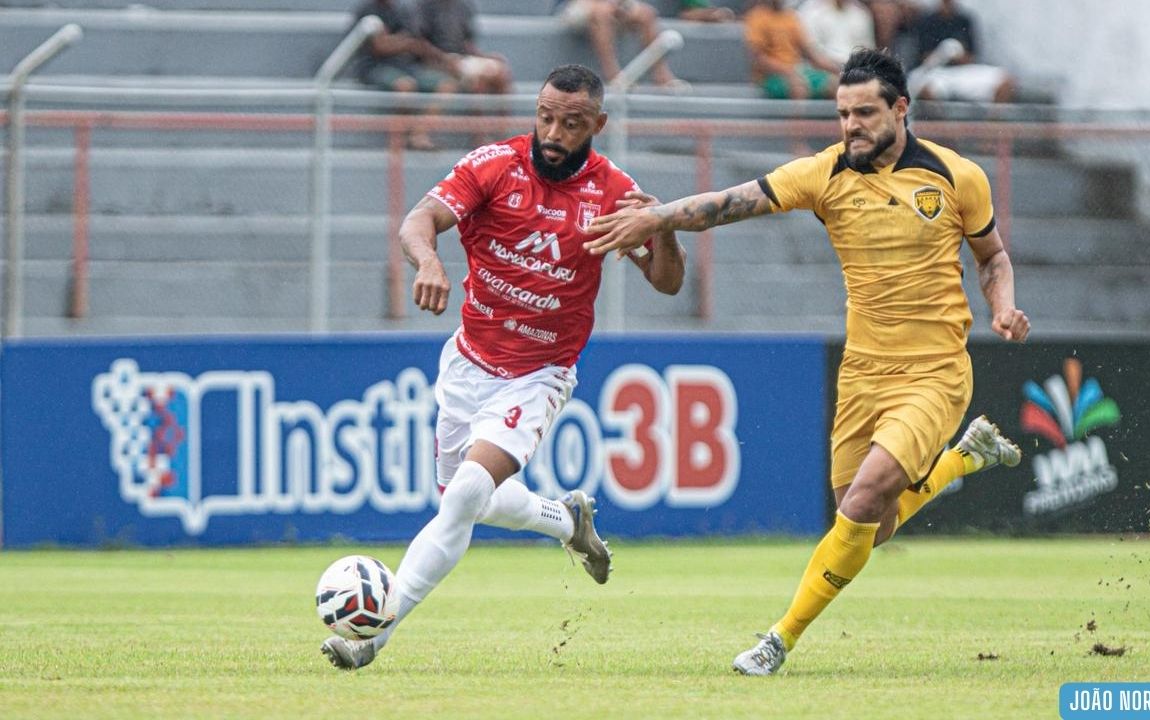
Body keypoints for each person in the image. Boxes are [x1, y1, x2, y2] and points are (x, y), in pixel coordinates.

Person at [585, 47, 1030, 676]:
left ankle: (778, 639)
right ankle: (964, 457)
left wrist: (1003, 305)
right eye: (843, 114)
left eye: (865, 113)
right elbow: (731, 203)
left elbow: (992, 257)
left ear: (901, 109)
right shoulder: (825, 174)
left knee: (867, 497)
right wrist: (660, 217)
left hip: (935, 372)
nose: (851, 126)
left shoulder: (958, 177)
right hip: (863, 373)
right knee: (871, 528)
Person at [321, 64, 687, 671]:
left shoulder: (615, 193)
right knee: (474, 503)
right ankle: (564, 519)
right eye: (545, 116)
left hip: (540, 372)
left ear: (598, 124)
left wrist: (663, 227)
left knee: (465, 493)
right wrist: (428, 263)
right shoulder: (494, 165)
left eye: (571, 123)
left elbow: (668, 283)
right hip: (467, 365)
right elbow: (418, 221)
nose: (553, 131)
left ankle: (373, 637)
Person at [349, 0, 460, 149]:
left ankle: (418, 134)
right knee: (404, 85)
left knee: (446, 84)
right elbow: (380, 47)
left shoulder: (403, 11)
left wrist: (397, 42)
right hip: (375, 67)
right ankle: (398, 141)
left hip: (405, 66)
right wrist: (403, 43)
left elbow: (416, 42)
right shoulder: (367, 11)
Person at [554, 0, 687, 88]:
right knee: (601, 13)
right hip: (573, 6)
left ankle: (662, 77)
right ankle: (614, 77)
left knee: (646, 14)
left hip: (611, 4)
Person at [908, 0, 1015, 103]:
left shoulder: (964, 20)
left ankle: (992, 121)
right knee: (926, 91)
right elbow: (923, 59)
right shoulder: (927, 21)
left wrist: (958, 56)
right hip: (937, 73)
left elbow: (972, 57)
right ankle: (941, 121)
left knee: (1005, 81)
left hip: (962, 73)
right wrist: (943, 54)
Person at [743, 0, 844, 101]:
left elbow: (810, 53)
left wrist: (837, 70)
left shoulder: (791, 17)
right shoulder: (757, 17)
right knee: (799, 88)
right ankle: (796, 117)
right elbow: (759, 59)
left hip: (797, 71)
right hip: (770, 76)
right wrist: (788, 72)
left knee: (836, 84)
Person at [413, 0, 512, 95]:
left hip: (461, 59)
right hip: (434, 63)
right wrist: (445, 59)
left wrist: (484, 56)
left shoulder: (464, 6)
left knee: (499, 73)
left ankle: (502, 112)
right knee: (479, 81)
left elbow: (466, 42)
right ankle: (475, 111)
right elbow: (419, 42)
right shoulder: (424, 6)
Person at [797, 0, 876, 69]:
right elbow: (812, 53)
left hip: (856, 68)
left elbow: (868, 48)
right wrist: (837, 69)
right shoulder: (811, 12)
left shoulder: (862, 14)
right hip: (824, 70)